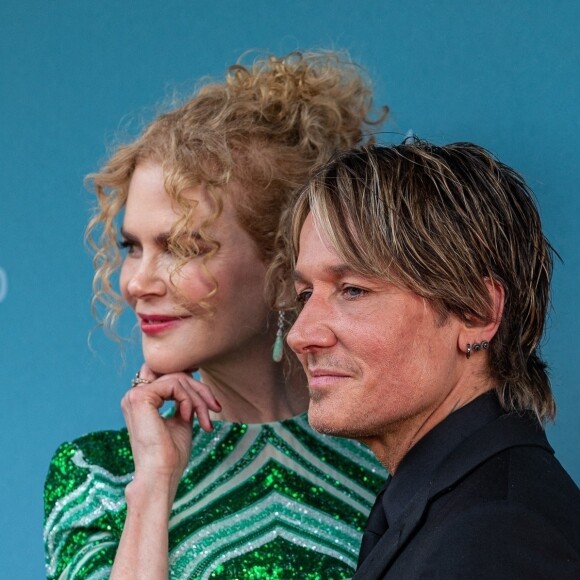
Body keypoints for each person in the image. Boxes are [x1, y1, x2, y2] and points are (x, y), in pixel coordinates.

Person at [43, 51, 389, 579]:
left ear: (283, 267)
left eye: (183, 247)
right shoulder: (99, 476)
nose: (138, 282)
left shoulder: (391, 457)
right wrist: (153, 487)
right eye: (132, 246)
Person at [286, 142, 580, 579]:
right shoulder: (453, 511)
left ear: (478, 312)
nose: (301, 334)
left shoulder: (496, 538)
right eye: (305, 295)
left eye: (353, 290)